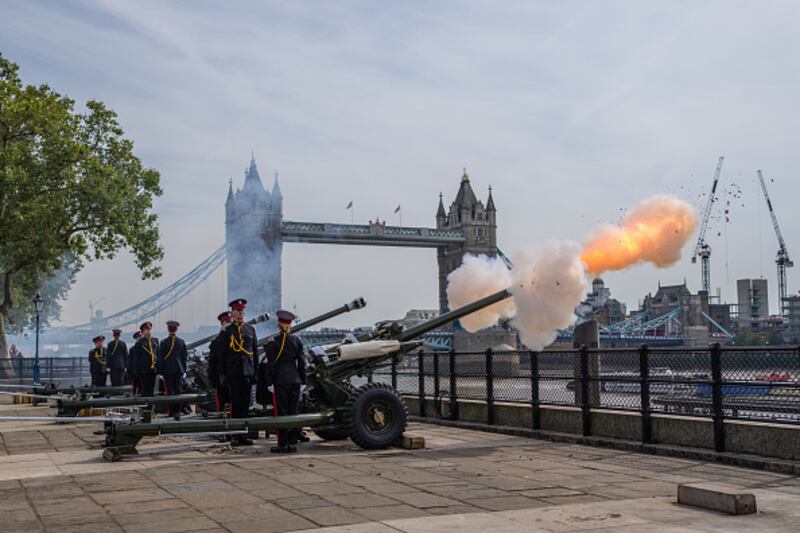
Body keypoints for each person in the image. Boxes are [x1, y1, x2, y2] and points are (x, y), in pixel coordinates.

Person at [263, 309, 306, 453]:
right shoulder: (297, 341)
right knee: (293, 412)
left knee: (281, 412)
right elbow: (302, 363)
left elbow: (270, 365)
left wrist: (269, 382)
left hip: (280, 380)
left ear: (278, 324)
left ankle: (282, 444)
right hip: (295, 379)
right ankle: (292, 443)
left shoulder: (273, 342)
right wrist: (303, 381)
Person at [219, 298, 258, 446]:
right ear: (232, 313)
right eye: (238, 311)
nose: (241, 313)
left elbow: (254, 353)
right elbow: (222, 355)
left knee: (245, 405)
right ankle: (235, 435)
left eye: (242, 311)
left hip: (247, 372)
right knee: (235, 404)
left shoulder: (250, 330)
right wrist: (222, 374)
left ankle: (244, 434)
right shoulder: (227, 331)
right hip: (233, 372)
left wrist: (255, 372)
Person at [158, 320, 188, 420]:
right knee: (178, 390)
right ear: (176, 329)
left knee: (170, 391)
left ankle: (171, 412)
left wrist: (160, 372)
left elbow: (161, 358)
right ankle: (177, 411)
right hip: (179, 370)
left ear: (168, 329)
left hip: (167, 370)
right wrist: (184, 370)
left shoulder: (163, 342)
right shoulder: (181, 342)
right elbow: (184, 358)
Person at [208, 311, 232, 414]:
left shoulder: (238, 339)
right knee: (222, 400)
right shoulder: (216, 342)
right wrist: (212, 378)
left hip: (234, 373)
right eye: (226, 324)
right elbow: (212, 362)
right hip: (221, 375)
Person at [134, 322, 159, 397]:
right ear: (143, 331)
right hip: (144, 369)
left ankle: (151, 402)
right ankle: (145, 402)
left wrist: (159, 367)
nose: (149, 331)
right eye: (147, 329)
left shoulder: (155, 340)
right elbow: (136, 358)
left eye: (150, 329)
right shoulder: (139, 342)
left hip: (153, 368)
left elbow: (158, 354)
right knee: (145, 389)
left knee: (152, 388)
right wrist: (137, 370)